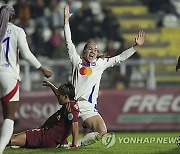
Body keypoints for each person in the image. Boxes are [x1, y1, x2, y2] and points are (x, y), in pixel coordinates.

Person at [64, 4, 145, 147]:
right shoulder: (76, 61)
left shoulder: (101, 63)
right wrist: (66, 22)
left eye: (95, 49)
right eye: (89, 48)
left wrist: (135, 47)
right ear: (84, 52)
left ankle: (73, 145)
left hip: (88, 106)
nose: (93, 51)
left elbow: (119, 58)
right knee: (57, 135)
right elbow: (68, 42)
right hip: (73, 104)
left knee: (102, 132)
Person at [0, 4, 52, 154]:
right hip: (9, 76)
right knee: (9, 117)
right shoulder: (17, 31)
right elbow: (27, 54)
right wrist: (42, 68)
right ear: (13, 17)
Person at [9, 81, 79, 149]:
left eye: (59, 95)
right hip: (49, 135)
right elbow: (58, 93)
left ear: (66, 97)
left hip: (48, 137)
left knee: (12, 140)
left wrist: (74, 145)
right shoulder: (70, 104)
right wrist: (51, 86)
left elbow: (75, 125)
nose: (57, 97)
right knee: (15, 136)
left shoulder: (70, 108)